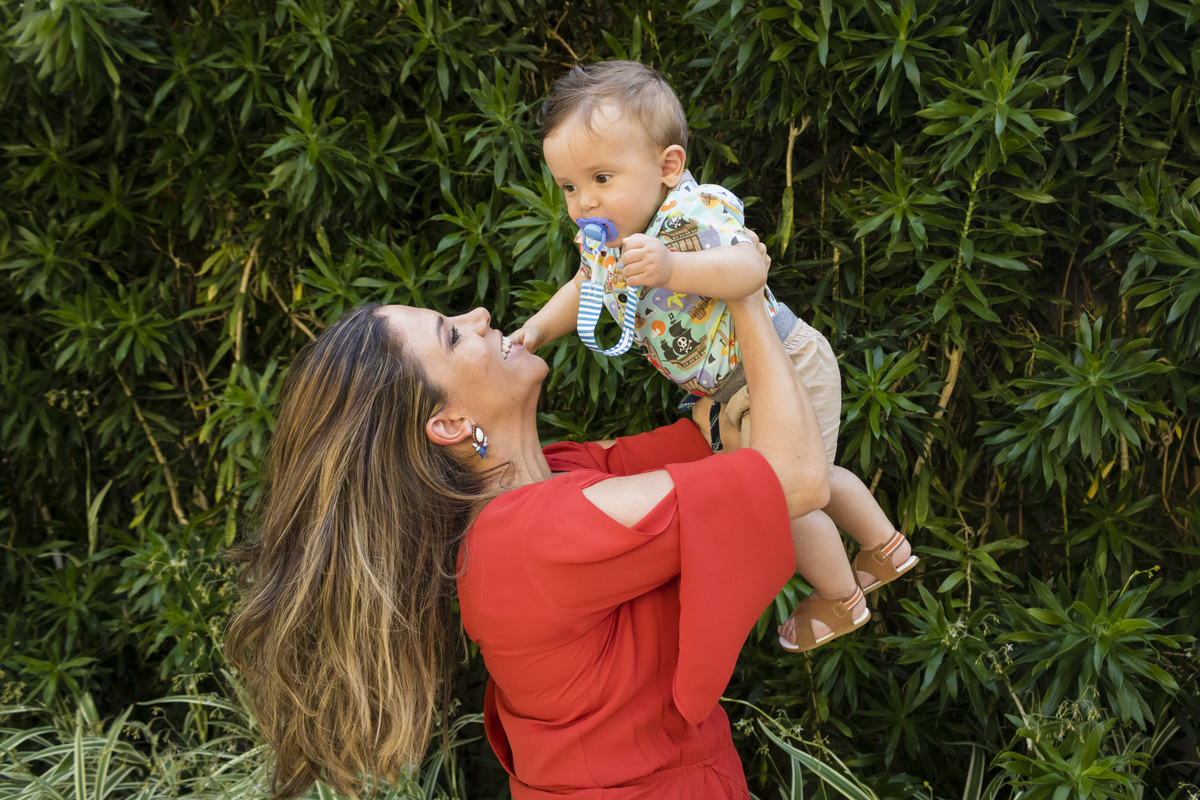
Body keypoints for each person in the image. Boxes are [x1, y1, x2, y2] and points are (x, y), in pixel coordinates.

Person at [222, 236, 858, 798]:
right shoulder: (534, 534)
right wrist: (744, 294)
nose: (479, 316)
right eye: (452, 335)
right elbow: (794, 477)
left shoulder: (563, 474)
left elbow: (721, 435)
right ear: (450, 423)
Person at [508, 60, 917, 651]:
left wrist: (673, 268)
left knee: (783, 497)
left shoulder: (691, 213)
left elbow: (749, 268)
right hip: (735, 386)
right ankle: (884, 547)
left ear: (667, 166)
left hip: (783, 364)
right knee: (804, 481)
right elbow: (584, 287)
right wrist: (537, 330)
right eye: (569, 187)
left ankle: (839, 596)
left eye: (601, 178)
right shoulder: (612, 241)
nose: (584, 202)